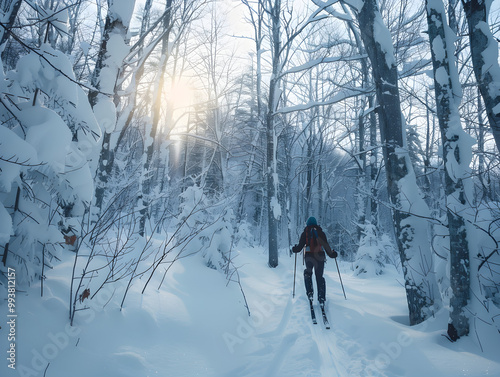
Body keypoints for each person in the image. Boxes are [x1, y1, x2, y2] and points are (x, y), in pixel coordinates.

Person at [292, 217, 337, 307]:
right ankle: (321, 298)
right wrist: (333, 254)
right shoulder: (321, 233)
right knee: (319, 277)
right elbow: (326, 246)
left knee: (308, 274)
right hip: (319, 257)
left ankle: (310, 293)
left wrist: (295, 249)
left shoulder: (305, 233)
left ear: (307, 224)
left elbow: (300, 247)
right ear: (316, 223)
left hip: (309, 257)